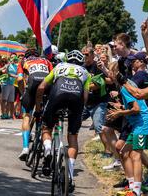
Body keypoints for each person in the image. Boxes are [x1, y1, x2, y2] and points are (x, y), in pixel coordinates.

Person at [36, 50, 91, 193]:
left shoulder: (59, 67)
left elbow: (42, 87)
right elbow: (85, 97)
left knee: (46, 128)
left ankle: (48, 149)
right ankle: (70, 175)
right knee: (72, 137)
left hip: (57, 96)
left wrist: (38, 107)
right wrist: (78, 112)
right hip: (76, 100)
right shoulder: (85, 72)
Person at [107, 78, 148, 196]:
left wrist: (119, 113)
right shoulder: (124, 89)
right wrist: (121, 107)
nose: (108, 75)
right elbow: (135, 106)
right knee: (124, 152)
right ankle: (132, 185)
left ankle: (137, 191)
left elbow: (137, 109)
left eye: (110, 72)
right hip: (136, 125)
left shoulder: (124, 89)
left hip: (143, 124)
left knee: (135, 155)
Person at [17, 48, 53, 161]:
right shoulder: (46, 61)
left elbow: (19, 79)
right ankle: (45, 139)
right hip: (46, 85)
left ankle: (25, 148)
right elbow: (54, 77)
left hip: (32, 85)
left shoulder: (23, 61)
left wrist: (23, 93)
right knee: (44, 115)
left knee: (27, 116)